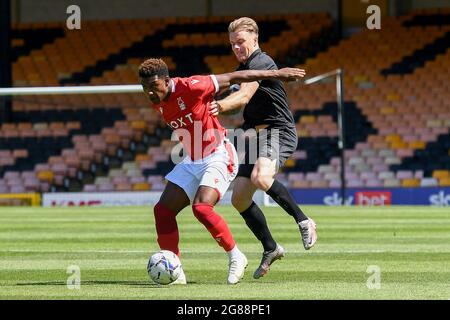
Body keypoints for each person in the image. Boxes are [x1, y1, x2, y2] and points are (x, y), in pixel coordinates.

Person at [139, 58, 306, 284]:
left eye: (153, 86)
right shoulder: (157, 99)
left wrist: (278, 74)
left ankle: (236, 255)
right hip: (193, 159)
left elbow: (234, 77)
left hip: (219, 154)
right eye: (145, 87)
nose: (149, 92)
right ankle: (175, 269)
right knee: (163, 211)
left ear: (167, 81)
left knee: (201, 207)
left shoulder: (193, 85)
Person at [209, 17, 318, 279]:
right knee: (239, 199)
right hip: (256, 137)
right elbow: (234, 89)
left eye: (241, 42)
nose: (236, 47)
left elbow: (244, 96)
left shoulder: (261, 62)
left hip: (278, 131)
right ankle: (271, 248)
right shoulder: (243, 67)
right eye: (233, 44)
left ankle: (304, 221)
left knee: (261, 177)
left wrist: (219, 106)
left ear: (255, 40)